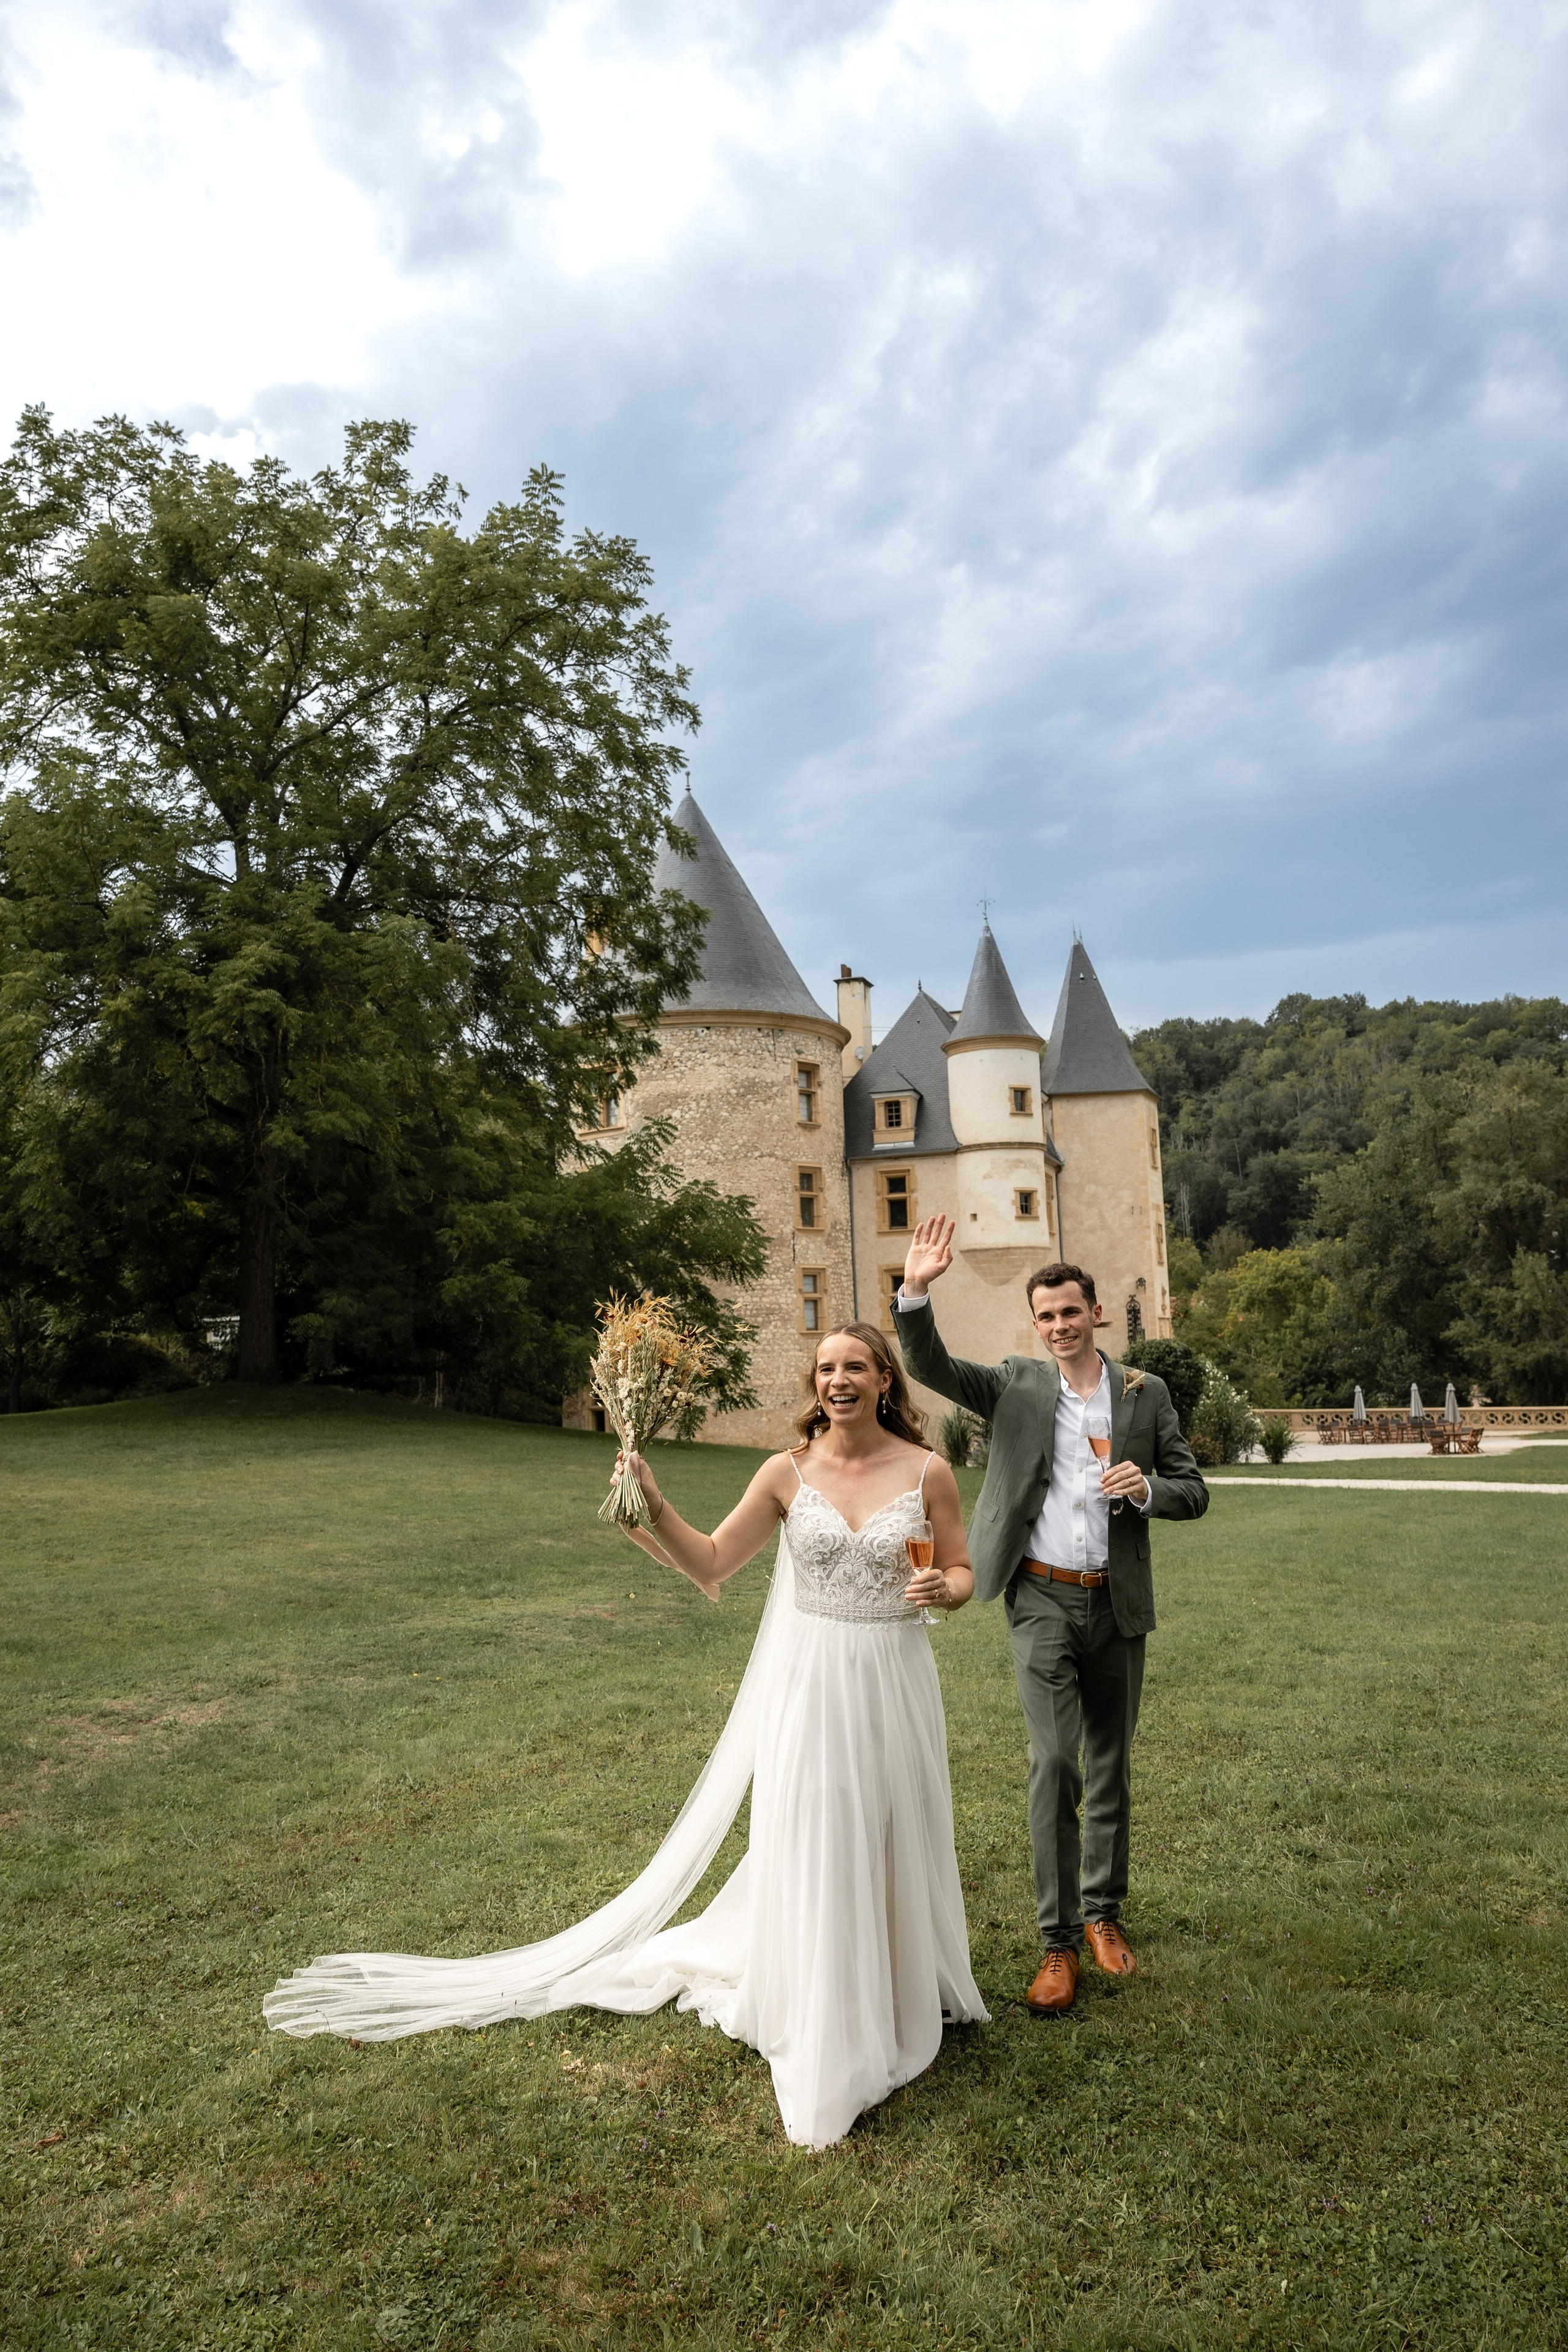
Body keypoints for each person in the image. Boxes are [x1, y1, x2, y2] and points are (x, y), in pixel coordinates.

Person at [264, 1320, 987, 2150]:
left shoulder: (928, 1472)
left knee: (889, 1831)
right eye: (824, 1368)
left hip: (894, 1681)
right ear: (814, 1383)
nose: (837, 1380)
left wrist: (946, 1587)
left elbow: (963, 1572)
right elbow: (713, 1562)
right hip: (812, 1686)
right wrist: (648, 1501)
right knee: (822, 1833)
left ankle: (892, 1990)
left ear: (885, 1381)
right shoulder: (786, 1473)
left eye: (854, 1366)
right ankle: (826, 2015)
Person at [893, 1216, 1207, 2015]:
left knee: (1109, 1766)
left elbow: (1192, 1488)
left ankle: (1104, 1916)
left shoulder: (1145, 1393)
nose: (1060, 1325)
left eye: (1071, 1311)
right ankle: (1057, 1943)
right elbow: (929, 1365)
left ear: (1094, 1313)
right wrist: (918, 1289)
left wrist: (1144, 1489)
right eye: (1046, 1316)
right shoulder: (1015, 1384)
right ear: (1035, 1326)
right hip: (1039, 1598)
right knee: (1053, 1764)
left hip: (1118, 1602)